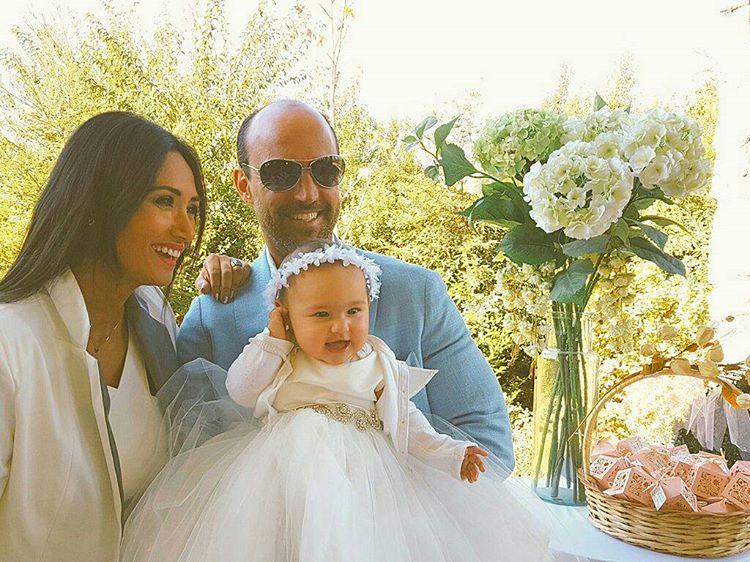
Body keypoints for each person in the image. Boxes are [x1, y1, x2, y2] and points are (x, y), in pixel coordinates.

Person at [121, 241, 562, 562]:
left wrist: (451, 453)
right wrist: (273, 340)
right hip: (282, 476)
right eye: (321, 315)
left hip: (368, 481)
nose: (340, 327)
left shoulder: (377, 363)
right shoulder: (281, 358)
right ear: (287, 317)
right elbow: (241, 390)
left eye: (354, 311)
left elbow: (408, 423)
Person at [178, 99, 515, 467]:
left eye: (326, 169)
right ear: (244, 186)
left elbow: (489, 446)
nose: (308, 193)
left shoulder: (416, 294)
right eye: (281, 173)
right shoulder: (213, 314)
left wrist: (374, 496)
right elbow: (184, 459)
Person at [0, 111, 246, 561]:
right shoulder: (10, 343)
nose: (187, 230)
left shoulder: (156, 321)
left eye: (192, 209)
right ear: (100, 203)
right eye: (165, 201)